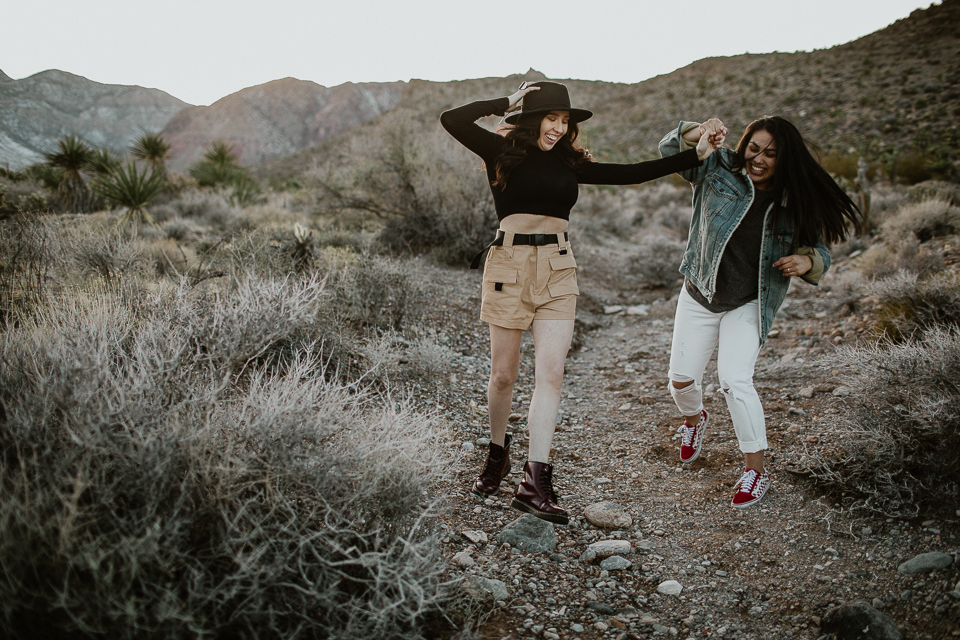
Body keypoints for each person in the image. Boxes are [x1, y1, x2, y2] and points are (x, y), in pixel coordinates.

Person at [440, 81, 723, 524]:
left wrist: (696, 154)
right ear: (532, 119)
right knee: (503, 376)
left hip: (558, 266)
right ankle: (498, 453)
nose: (557, 127)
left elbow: (633, 173)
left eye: (564, 121)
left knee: (551, 374)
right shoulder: (499, 150)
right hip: (509, 266)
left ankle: (536, 480)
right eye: (550, 118)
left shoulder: (571, 163)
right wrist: (507, 103)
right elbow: (452, 119)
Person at [658, 116, 860, 509]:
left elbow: (820, 252)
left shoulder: (794, 200)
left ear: (785, 159)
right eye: (754, 148)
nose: (759, 159)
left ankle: (755, 468)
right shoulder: (716, 167)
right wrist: (698, 132)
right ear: (744, 143)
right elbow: (669, 151)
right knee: (681, 382)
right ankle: (695, 420)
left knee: (734, 380)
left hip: (750, 300)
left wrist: (806, 263)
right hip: (700, 291)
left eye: (771, 153)